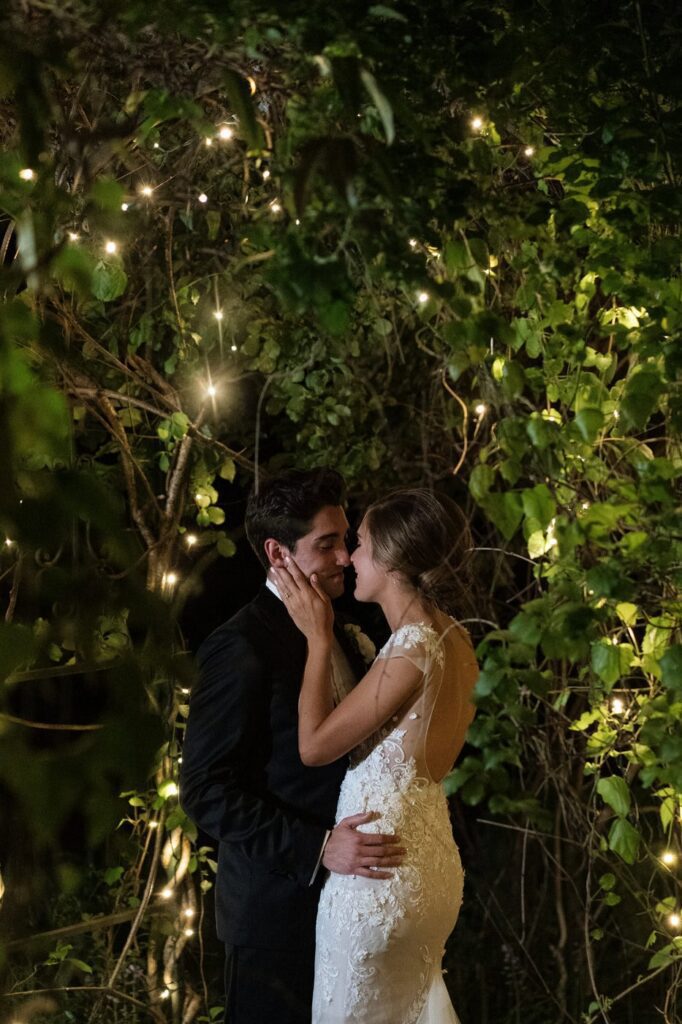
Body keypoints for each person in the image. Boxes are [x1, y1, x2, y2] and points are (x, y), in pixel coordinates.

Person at [179, 468, 404, 1024]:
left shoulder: (340, 628)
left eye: (346, 542)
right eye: (326, 545)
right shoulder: (238, 645)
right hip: (274, 918)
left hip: (352, 907)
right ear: (278, 553)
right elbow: (204, 791)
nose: (345, 558)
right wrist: (317, 848)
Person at [272, 487, 479, 1023]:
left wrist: (318, 640)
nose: (349, 558)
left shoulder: (414, 642)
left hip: (380, 880)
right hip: (431, 868)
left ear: (390, 556)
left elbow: (315, 747)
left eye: (359, 544)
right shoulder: (457, 641)